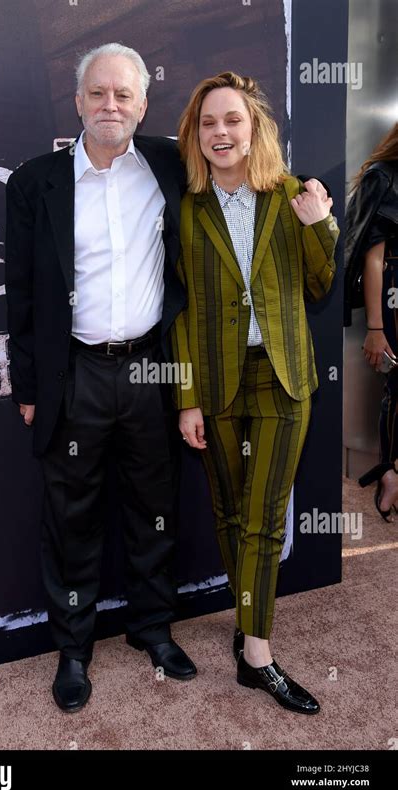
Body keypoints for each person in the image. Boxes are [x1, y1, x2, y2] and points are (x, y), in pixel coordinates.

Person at [5, 43, 197, 714]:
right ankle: (75, 649)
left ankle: (152, 630)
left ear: (143, 105)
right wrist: (29, 389)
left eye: (123, 95)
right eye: (97, 93)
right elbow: (21, 297)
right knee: (71, 518)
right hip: (74, 376)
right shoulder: (35, 183)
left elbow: (245, 172)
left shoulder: (173, 166)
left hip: (151, 368)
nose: (110, 105)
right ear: (78, 101)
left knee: (156, 509)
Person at [171, 71, 339, 714]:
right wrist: (186, 395)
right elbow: (182, 312)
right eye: (208, 123)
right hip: (215, 383)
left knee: (265, 517)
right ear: (196, 134)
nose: (220, 132)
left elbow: (323, 287)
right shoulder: (187, 209)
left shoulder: (290, 193)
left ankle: (257, 656)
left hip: (283, 377)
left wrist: (321, 225)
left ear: (253, 126)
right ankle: (248, 620)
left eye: (231, 120)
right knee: (230, 513)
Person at [344, 123, 398, 521]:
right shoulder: (384, 176)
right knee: (397, 387)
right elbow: (372, 259)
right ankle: (391, 472)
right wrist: (376, 328)